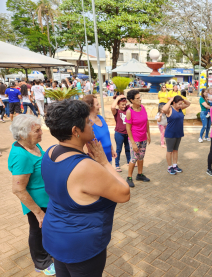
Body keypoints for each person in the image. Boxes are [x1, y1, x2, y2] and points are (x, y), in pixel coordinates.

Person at [41, 100, 130, 277]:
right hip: (80, 246)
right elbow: (124, 193)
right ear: (75, 131)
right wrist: (104, 162)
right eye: (88, 122)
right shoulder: (85, 167)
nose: (92, 125)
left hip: (55, 235)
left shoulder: (50, 152)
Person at [8, 114, 55, 275]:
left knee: (46, 231)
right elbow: (18, 189)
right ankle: (41, 263)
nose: (42, 132)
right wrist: (38, 213)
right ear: (23, 133)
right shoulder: (21, 155)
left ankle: (48, 254)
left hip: (47, 200)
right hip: (36, 204)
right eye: (37, 130)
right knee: (37, 231)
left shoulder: (34, 146)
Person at [125, 90, 151, 187]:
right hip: (134, 139)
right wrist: (133, 143)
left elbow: (146, 121)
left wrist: (148, 134)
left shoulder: (143, 108)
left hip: (143, 137)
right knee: (134, 158)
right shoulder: (129, 111)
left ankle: (139, 174)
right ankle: (129, 177)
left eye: (140, 97)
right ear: (131, 100)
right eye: (137, 98)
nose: (140, 99)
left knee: (141, 157)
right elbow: (128, 128)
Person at [82, 95, 117, 163]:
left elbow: (106, 136)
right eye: (97, 104)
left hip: (108, 157)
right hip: (97, 160)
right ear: (91, 107)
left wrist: (112, 149)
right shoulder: (87, 123)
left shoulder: (101, 118)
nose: (100, 106)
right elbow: (84, 143)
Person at [163, 95, 191, 174]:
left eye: (181, 104)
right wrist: (170, 100)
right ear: (174, 103)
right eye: (179, 104)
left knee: (175, 150)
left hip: (178, 132)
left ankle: (175, 165)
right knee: (169, 151)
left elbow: (189, 104)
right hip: (170, 133)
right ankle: (169, 167)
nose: (180, 105)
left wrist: (183, 100)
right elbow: (163, 109)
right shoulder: (170, 109)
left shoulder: (180, 108)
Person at [111, 95, 131, 172]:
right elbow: (112, 107)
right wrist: (117, 98)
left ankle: (129, 161)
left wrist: (125, 98)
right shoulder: (116, 111)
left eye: (125, 104)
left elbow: (133, 103)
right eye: (122, 105)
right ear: (118, 104)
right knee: (118, 149)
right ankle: (117, 165)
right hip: (119, 133)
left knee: (128, 148)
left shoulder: (128, 109)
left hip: (127, 133)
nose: (124, 106)